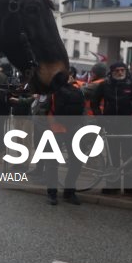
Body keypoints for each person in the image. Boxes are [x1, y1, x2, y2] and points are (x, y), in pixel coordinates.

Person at [93, 61, 132, 195]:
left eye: (122, 70)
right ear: (111, 73)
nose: (120, 73)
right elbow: (94, 102)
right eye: (117, 70)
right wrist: (100, 117)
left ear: (126, 71)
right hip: (110, 123)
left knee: (131, 157)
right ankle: (113, 185)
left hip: (129, 123)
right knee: (112, 156)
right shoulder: (104, 85)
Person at [44, 67, 86, 205]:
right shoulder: (78, 89)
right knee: (74, 161)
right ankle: (67, 192)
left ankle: (53, 194)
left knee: (53, 162)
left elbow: (43, 108)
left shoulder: (53, 91)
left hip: (58, 128)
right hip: (70, 128)